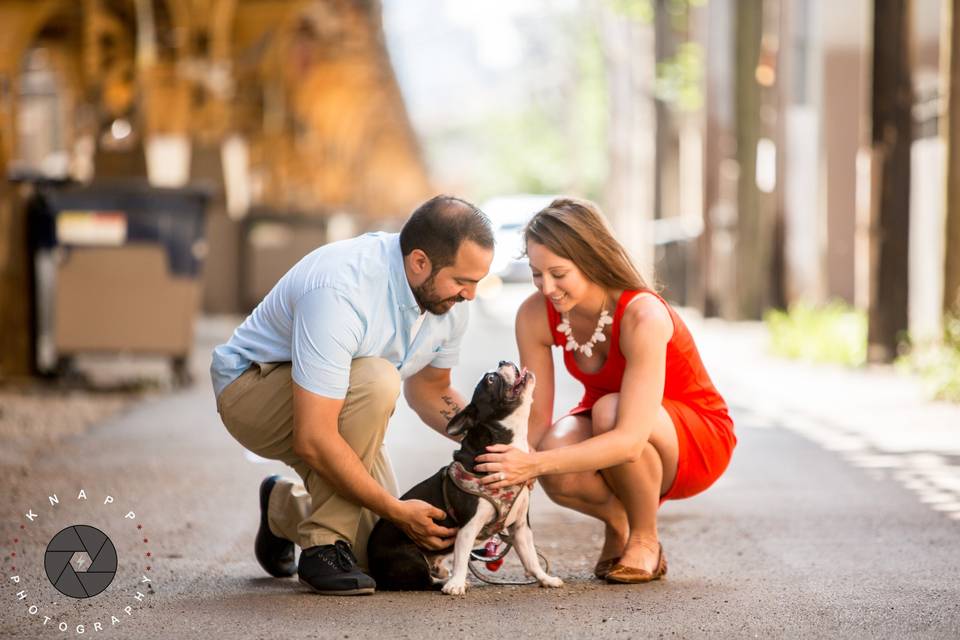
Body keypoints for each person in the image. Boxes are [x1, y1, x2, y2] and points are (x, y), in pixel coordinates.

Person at [211, 195, 494, 595]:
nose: (470, 295)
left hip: (338, 404)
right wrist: (396, 510)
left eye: (477, 282)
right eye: (463, 281)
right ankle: (323, 545)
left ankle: (283, 508)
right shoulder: (342, 286)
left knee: (379, 554)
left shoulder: (448, 300)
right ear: (419, 262)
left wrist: (496, 449)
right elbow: (314, 436)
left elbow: (431, 390)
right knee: (378, 380)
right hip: (253, 389)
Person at [475, 197, 736, 584]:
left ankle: (646, 538)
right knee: (552, 449)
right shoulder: (534, 315)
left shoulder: (642, 315)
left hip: (692, 435)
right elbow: (535, 418)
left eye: (558, 273)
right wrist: (512, 471)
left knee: (608, 413)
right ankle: (620, 521)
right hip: (609, 420)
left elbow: (629, 441)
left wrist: (532, 464)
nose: (547, 287)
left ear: (592, 260)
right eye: (536, 274)